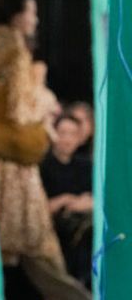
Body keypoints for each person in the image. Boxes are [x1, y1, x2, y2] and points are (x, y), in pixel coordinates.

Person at [0, 0, 93, 300]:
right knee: (41, 247)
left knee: (1, 248)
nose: (36, 19)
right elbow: (21, 110)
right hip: (16, 167)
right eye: (32, 12)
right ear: (17, 17)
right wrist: (44, 96)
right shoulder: (15, 51)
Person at [40, 113, 94, 288]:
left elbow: (95, 199)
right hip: (52, 230)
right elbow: (39, 207)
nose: (67, 139)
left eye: (72, 134)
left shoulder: (86, 165)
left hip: (81, 228)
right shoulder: (42, 165)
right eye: (62, 133)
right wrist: (64, 200)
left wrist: (80, 204)